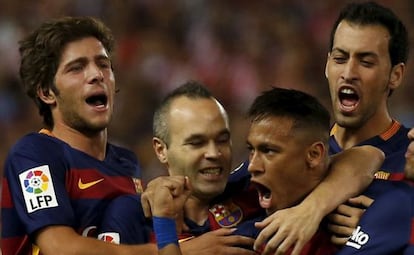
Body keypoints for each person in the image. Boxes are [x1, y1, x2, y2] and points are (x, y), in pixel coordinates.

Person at [134, 81, 383, 255]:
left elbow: (368, 155)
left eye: (223, 140)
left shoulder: (366, 206)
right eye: (196, 143)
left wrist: (311, 211)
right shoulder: (139, 217)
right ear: (161, 150)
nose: (214, 154)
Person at [0, 16, 162, 255]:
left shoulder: (127, 163)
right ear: (46, 93)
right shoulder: (34, 154)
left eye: (103, 64)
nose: (96, 75)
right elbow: (59, 248)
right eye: (77, 68)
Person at [323, 1, 412, 244]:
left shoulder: (410, 157)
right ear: (327, 65)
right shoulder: (299, 154)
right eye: (340, 58)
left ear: (395, 75)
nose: (349, 72)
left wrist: (382, 228)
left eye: (366, 62)